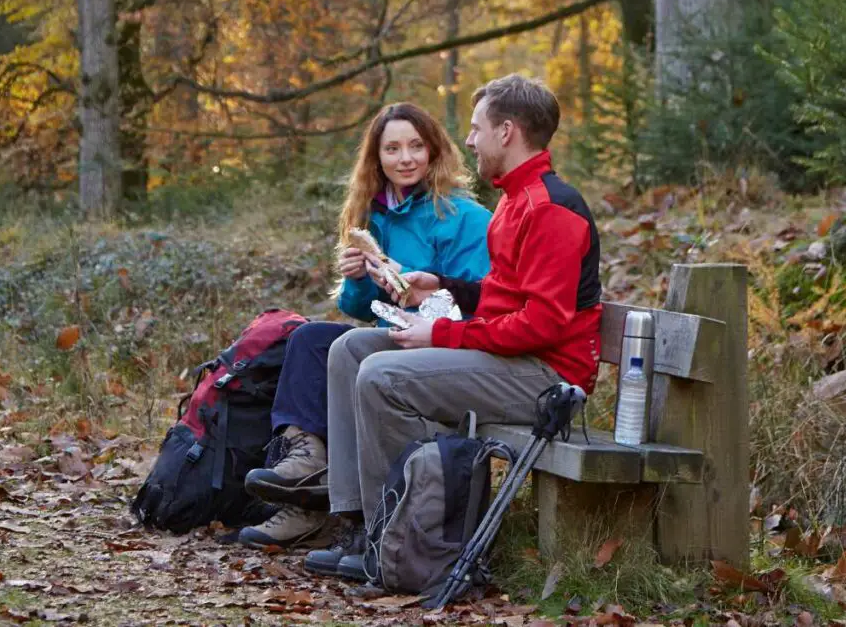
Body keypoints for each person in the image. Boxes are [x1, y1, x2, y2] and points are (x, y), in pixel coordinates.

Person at [299, 74, 603, 580]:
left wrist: (440, 335)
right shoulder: (514, 201)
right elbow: (503, 301)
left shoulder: (550, 209)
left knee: (382, 375)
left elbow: (543, 326)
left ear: (507, 132)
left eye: (477, 127)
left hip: (547, 377)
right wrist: (438, 286)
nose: (468, 140)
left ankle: (401, 536)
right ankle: (359, 521)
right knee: (351, 349)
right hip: (511, 358)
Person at [238, 102, 492, 548]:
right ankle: (306, 465)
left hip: (443, 345)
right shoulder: (372, 216)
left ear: (434, 151)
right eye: (392, 149)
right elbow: (361, 311)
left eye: (416, 146)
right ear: (377, 159)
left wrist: (417, 288)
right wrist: (356, 279)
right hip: (392, 334)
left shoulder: (465, 217)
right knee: (310, 339)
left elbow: (480, 300)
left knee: (349, 349)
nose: (405, 158)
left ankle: (343, 514)